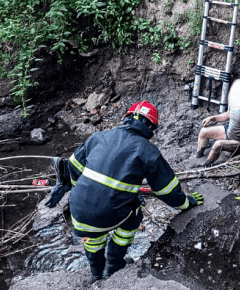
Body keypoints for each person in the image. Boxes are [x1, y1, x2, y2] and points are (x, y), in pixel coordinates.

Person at [47, 100, 203, 285]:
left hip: (79, 213)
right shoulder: (148, 151)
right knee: (135, 213)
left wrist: (80, 192)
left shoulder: (98, 137)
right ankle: (114, 266)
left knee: (93, 237)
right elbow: (167, 190)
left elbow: (72, 168)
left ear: (127, 117)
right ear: (151, 127)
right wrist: (187, 203)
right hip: (109, 215)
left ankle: (96, 274)